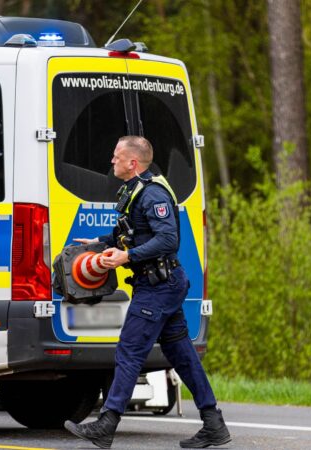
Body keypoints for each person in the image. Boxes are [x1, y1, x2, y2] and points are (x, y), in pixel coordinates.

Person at [65, 136, 231, 449]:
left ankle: (107, 423)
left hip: (159, 285)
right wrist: (100, 243)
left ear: (133, 162)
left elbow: (168, 240)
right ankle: (213, 422)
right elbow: (132, 232)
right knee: (181, 354)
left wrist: (126, 257)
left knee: (129, 349)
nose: (112, 161)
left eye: (117, 156)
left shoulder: (152, 193)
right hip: (159, 284)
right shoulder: (135, 190)